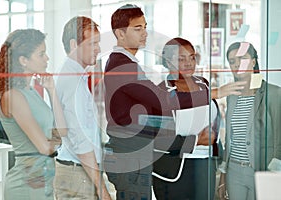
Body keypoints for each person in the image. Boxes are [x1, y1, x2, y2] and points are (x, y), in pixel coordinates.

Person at [103, 4, 246, 200]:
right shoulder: (123, 65)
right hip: (137, 158)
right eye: (138, 29)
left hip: (150, 158)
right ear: (119, 33)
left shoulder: (129, 63)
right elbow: (159, 102)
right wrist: (215, 93)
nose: (145, 33)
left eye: (145, 27)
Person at [0, 29, 67, 200]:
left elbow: (62, 131)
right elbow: (45, 148)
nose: (47, 58)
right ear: (23, 60)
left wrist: (51, 90)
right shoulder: (14, 96)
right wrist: (58, 141)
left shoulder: (30, 92)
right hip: (25, 186)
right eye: (41, 54)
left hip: (42, 182)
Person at [152, 37, 222, 200]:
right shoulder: (161, 92)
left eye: (192, 57)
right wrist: (197, 140)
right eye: (181, 59)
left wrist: (213, 135)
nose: (189, 63)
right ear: (169, 62)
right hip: (175, 171)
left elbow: (214, 114)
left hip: (205, 165)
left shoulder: (203, 84)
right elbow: (159, 140)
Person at [53, 16, 112, 200]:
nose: (98, 49)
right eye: (92, 43)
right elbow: (79, 137)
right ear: (73, 44)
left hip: (78, 172)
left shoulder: (75, 75)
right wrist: (102, 189)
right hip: (78, 175)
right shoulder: (72, 80)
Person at [217, 42, 281, 200]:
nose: (237, 64)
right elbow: (229, 139)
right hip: (234, 171)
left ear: (253, 61)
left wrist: (273, 172)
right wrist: (224, 173)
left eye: (242, 59)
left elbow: (280, 137)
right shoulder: (231, 96)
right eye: (232, 61)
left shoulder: (273, 93)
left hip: (262, 170)